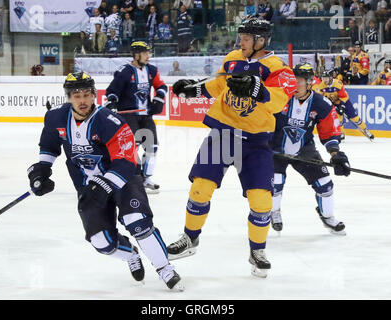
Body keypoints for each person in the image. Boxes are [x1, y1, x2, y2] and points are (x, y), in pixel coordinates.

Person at [26, 71, 183, 291]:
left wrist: (105, 184)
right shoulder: (55, 118)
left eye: (86, 94)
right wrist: (41, 169)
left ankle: (165, 268)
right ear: (68, 97)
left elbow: (127, 161)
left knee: (136, 220)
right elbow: (49, 146)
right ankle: (130, 254)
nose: (82, 100)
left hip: (123, 180)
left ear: (94, 95)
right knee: (101, 242)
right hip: (87, 186)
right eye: (76, 95)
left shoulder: (110, 121)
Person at [166, 18, 297, 278]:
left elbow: (281, 100)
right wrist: (193, 89)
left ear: (261, 41)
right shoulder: (233, 58)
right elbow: (218, 86)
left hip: (256, 142)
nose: (242, 42)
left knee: (262, 201)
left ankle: (257, 250)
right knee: (201, 187)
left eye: (247, 38)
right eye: (242, 37)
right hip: (224, 133)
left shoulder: (278, 67)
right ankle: (190, 239)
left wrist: (259, 90)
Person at [270, 63, 350, 236]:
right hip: (275, 150)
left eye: (299, 81)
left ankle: (327, 216)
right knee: (275, 183)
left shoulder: (321, 104)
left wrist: (336, 154)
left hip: (304, 149)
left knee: (325, 184)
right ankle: (274, 212)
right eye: (292, 81)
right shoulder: (279, 97)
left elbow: (330, 131)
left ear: (309, 82)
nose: (294, 86)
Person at [105, 42, 167, 193]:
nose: (148, 56)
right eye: (145, 53)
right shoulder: (124, 71)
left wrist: (159, 98)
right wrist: (112, 101)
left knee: (152, 147)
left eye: (148, 53)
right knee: (132, 147)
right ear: (136, 55)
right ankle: (132, 177)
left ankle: (146, 178)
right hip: (128, 115)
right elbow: (112, 91)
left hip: (146, 115)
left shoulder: (152, 70)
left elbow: (162, 86)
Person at [313, 69, 375, 140]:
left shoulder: (338, 84)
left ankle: (365, 129)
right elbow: (321, 97)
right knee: (338, 118)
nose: (324, 80)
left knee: (354, 118)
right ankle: (341, 133)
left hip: (344, 102)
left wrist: (341, 106)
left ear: (330, 77)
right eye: (323, 78)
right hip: (334, 103)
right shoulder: (322, 85)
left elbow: (343, 97)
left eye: (326, 78)